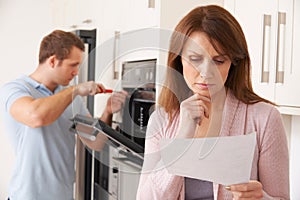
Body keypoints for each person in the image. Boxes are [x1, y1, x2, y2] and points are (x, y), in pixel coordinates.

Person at [136, 5, 289, 200]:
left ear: (233, 63)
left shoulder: (265, 118)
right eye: (195, 59)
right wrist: (182, 138)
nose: (206, 73)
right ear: (178, 60)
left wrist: (261, 198)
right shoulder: (162, 119)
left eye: (218, 61)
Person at [0, 30, 128, 200]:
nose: (76, 72)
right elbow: (36, 117)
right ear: (53, 61)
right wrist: (75, 90)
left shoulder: (70, 97)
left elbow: (95, 142)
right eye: (73, 65)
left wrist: (108, 112)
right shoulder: (15, 90)